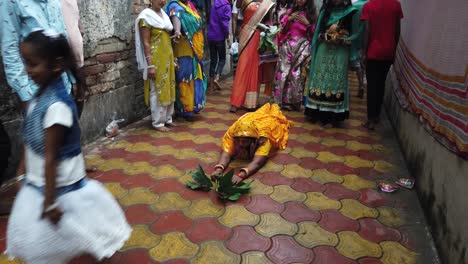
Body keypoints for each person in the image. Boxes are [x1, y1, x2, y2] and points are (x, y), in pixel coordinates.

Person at [6, 30, 131, 263]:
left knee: (84, 231)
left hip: (61, 187)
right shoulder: (39, 96)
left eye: (33, 64)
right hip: (42, 184)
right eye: (26, 63)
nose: (27, 70)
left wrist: (51, 201)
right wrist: (22, 170)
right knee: (56, 238)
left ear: (56, 66)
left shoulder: (57, 107)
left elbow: (51, 156)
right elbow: (30, 137)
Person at [304, 0, 358, 127]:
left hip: (340, 52)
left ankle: (333, 116)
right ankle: (316, 113)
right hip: (323, 50)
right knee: (320, 80)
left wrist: (341, 39)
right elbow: (318, 33)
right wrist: (324, 37)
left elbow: (355, 35)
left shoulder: (351, 13)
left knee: (335, 82)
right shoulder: (325, 11)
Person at [211, 103, 293, 183]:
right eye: (238, 140)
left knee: (273, 119)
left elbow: (258, 162)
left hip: (266, 125)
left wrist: (242, 174)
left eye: (245, 141)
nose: (240, 144)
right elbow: (226, 154)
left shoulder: (263, 139)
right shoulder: (232, 133)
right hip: (248, 122)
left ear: (252, 140)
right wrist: (219, 169)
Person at [361, 0, 403, 130]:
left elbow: (367, 30)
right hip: (388, 51)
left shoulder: (368, 6)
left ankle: (371, 119)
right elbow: (397, 31)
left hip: (373, 51)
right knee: (380, 84)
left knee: (372, 85)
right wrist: (394, 49)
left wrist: (364, 51)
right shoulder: (396, 5)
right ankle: (377, 115)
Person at [135, 0, 176, 132]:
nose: (163, 1)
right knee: (157, 89)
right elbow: (146, 43)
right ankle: (158, 122)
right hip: (156, 59)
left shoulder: (164, 15)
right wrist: (150, 65)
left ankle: (168, 118)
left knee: (169, 86)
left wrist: (173, 59)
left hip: (167, 58)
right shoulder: (145, 17)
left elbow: (166, 40)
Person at [229, 0, 276, 113]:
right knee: (242, 67)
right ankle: (236, 101)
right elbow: (238, 5)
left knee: (255, 68)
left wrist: (267, 29)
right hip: (246, 34)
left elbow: (270, 21)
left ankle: (250, 102)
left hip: (258, 36)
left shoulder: (266, 2)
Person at [165, 0, 207, 119]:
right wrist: (177, 30)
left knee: (195, 77)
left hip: (194, 50)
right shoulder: (175, 5)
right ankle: (184, 108)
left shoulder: (189, 5)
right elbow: (175, 16)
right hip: (183, 48)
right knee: (184, 78)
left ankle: (194, 105)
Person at [272, 0, 317, 111]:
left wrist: (307, 24)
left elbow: (315, 34)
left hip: (303, 46)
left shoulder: (312, 15)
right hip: (287, 44)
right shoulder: (289, 12)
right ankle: (277, 100)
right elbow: (281, 31)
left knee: (296, 74)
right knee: (283, 71)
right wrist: (289, 20)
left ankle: (292, 101)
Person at [207, 0, 232, 93]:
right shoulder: (227, 6)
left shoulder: (214, 4)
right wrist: (227, 35)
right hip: (219, 36)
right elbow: (224, 23)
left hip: (210, 36)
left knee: (213, 60)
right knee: (222, 59)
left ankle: (211, 85)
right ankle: (217, 78)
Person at [349, 0, 368, 99]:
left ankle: (344, 88)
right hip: (364, 37)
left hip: (352, 36)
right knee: (361, 62)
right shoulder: (369, 5)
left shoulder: (354, 5)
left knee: (352, 60)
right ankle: (361, 85)